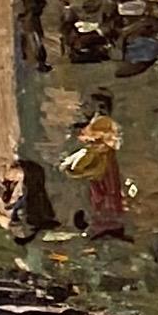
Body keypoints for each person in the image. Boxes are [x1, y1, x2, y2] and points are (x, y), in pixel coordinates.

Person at [62, 90, 128, 239]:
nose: (85, 108)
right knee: (98, 193)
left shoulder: (103, 122)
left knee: (106, 192)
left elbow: (101, 137)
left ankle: (109, 224)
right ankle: (103, 223)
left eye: (89, 105)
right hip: (100, 159)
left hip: (104, 160)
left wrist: (88, 137)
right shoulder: (96, 122)